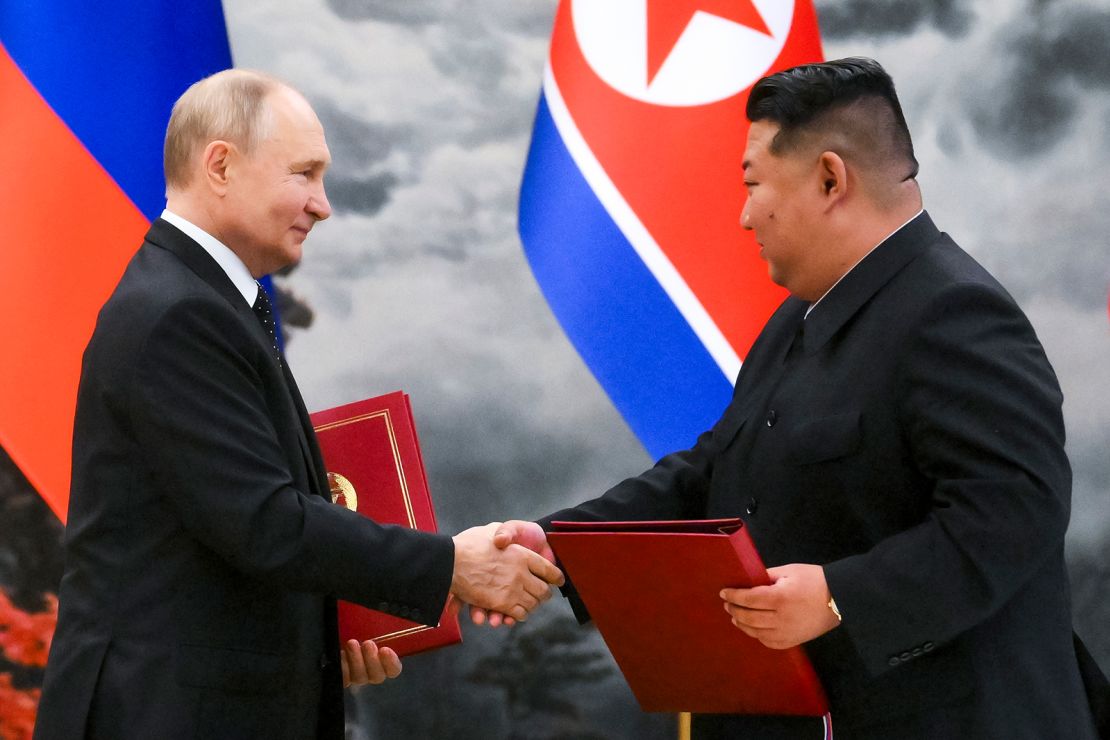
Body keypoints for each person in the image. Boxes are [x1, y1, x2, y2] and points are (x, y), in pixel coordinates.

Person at [491, 58, 1102, 738]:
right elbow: (717, 466)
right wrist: (558, 543)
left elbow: (1014, 512)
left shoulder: (956, 311)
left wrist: (842, 597)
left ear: (830, 179)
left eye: (753, 185)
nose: (745, 215)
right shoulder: (798, 317)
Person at [33, 69, 562, 740]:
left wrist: (327, 638)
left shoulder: (202, 301)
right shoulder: (178, 314)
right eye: (305, 174)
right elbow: (264, 522)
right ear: (219, 164)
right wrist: (452, 565)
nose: (323, 204)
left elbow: (220, 537)